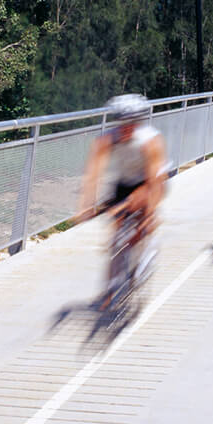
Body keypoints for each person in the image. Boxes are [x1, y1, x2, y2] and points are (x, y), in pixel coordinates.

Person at [77, 93, 168, 302]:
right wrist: (86, 205)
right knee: (116, 234)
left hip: (151, 180)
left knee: (137, 207)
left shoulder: (150, 141)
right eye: (122, 123)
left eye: (132, 124)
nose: (126, 128)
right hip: (124, 183)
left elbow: (154, 181)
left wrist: (149, 214)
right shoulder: (106, 140)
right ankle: (111, 286)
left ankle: (146, 249)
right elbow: (93, 174)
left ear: (139, 122)